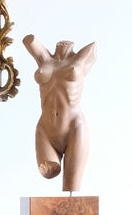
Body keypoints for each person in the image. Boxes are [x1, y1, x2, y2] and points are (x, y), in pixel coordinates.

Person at [22, 34, 97, 193]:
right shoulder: (44, 58)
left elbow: (94, 50)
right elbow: (28, 40)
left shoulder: (82, 57)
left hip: (74, 128)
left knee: (72, 188)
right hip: (45, 129)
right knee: (49, 170)